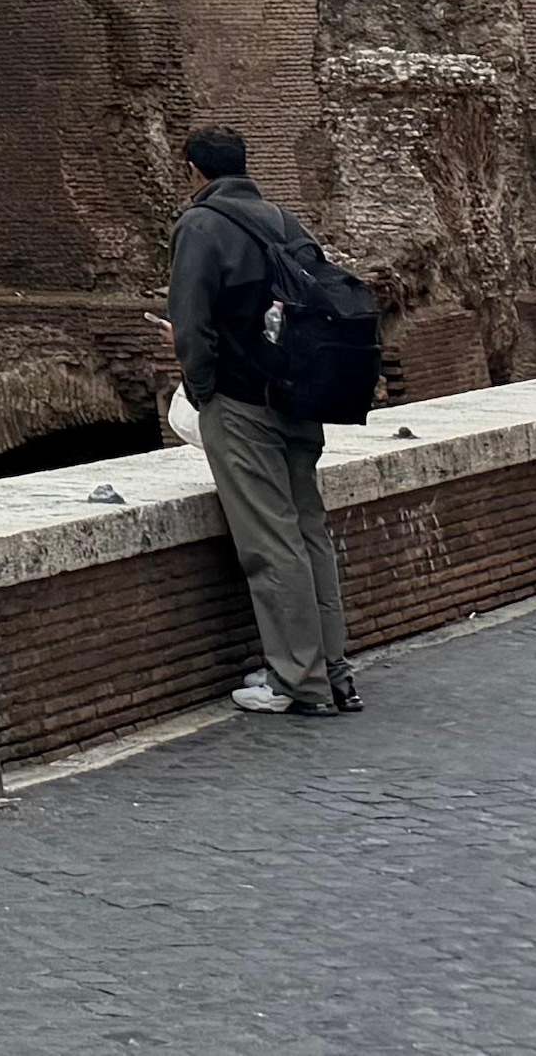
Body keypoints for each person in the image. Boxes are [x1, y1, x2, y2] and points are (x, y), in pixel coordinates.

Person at [167, 125, 355, 718]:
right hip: (301, 396)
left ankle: (297, 681)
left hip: (242, 402)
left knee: (270, 543)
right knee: (308, 532)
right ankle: (333, 672)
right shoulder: (284, 221)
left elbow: (191, 322)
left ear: (194, 171)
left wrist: (202, 393)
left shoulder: (200, 226)